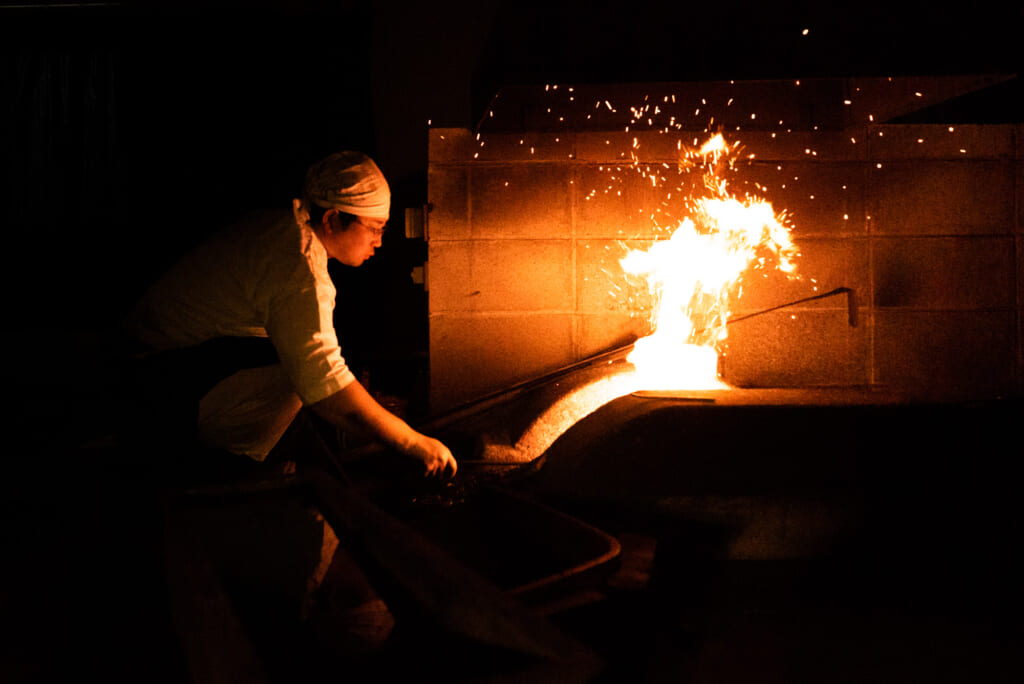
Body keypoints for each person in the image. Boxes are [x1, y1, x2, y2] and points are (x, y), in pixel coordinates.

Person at [123, 150, 456, 480]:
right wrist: (411, 441)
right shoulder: (299, 265)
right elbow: (323, 383)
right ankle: (230, 473)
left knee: (301, 376)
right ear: (332, 219)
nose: (379, 242)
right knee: (302, 380)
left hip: (165, 366)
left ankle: (276, 469)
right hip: (160, 382)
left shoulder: (282, 229)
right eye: (375, 228)